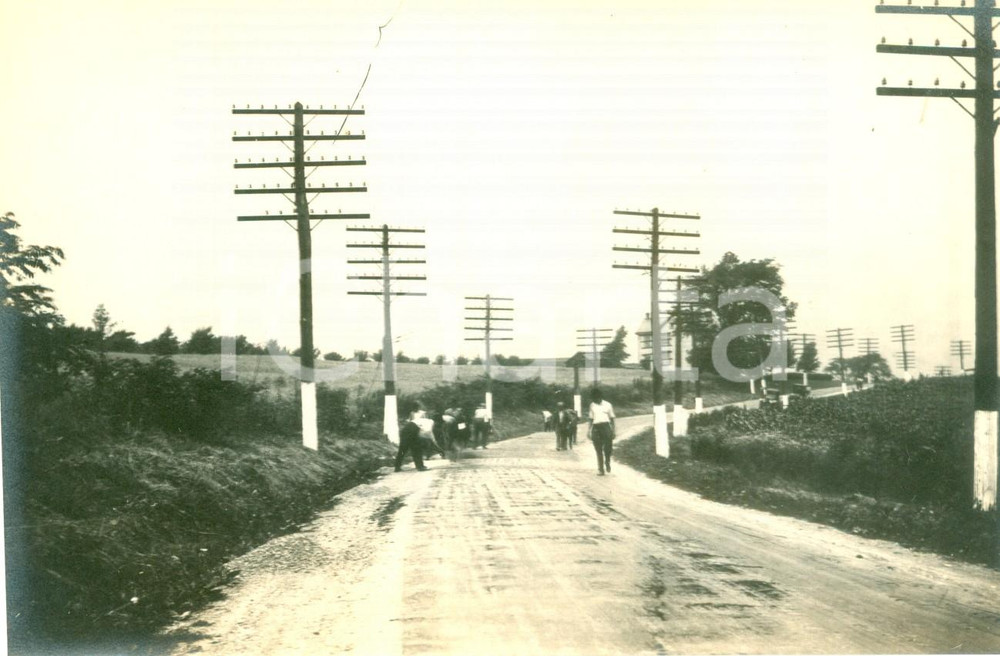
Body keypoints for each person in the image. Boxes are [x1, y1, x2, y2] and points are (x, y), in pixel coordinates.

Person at [587, 388, 616, 475]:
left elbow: (612, 419)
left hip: (606, 427)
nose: (595, 400)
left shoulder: (608, 405)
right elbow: (591, 419)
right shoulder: (592, 405)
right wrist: (589, 431)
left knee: (607, 448)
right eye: (594, 399)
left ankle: (607, 462)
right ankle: (601, 469)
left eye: (597, 398)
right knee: (598, 449)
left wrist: (613, 431)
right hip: (596, 428)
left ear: (600, 397)